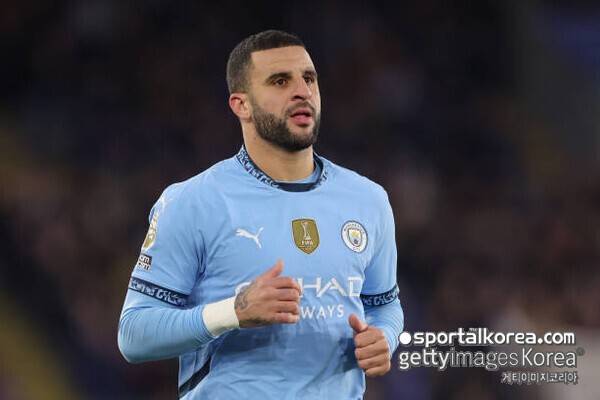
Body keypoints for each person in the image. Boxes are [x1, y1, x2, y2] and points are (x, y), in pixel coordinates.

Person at [118, 30, 404, 399]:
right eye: (280, 81)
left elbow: (385, 304)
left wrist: (385, 338)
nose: (302, 91)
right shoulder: (193, 201)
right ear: (241, 105)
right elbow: (134, 334)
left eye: (309, 78)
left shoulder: (368, 199)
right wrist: (234, 312)